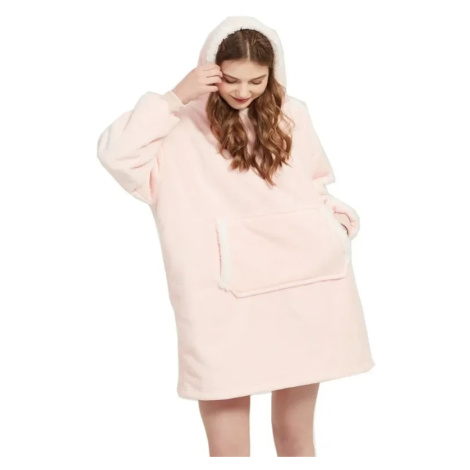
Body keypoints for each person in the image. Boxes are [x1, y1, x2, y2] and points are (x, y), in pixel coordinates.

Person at [97, 15, 375, 457]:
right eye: (231, 79)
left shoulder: (291, 114)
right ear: (211, 70)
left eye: (256, 81)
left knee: (297, 439)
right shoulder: (178, 124)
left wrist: (333, 223)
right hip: (220, 298)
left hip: (304, 285)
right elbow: (117, 155)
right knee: (228, 451)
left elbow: (315, 183)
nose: (243, 91)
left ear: (272, 74)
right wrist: (175, 95)